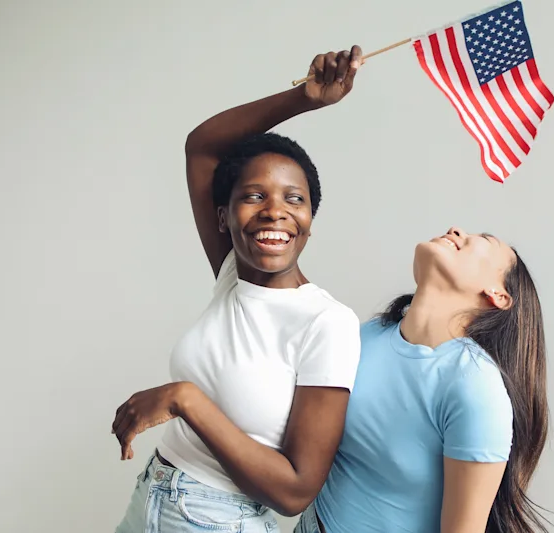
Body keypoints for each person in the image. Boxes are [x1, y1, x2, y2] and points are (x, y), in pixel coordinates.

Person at [110, 46, 367, 533]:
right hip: (152, 496)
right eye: (254, 196)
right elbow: (203, 146)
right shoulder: (234, 272)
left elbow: (295, 491)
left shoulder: (327, 323)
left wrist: (186, 399)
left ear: (310, 220)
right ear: (224, 219)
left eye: (295, 198)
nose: (275, 210)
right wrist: (304, 99)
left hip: (217, 520)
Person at [295, 228, 550, 533]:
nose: (456, 230)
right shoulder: (368, 334)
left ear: (498, 294)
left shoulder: (475, 388)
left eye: (483, 241)